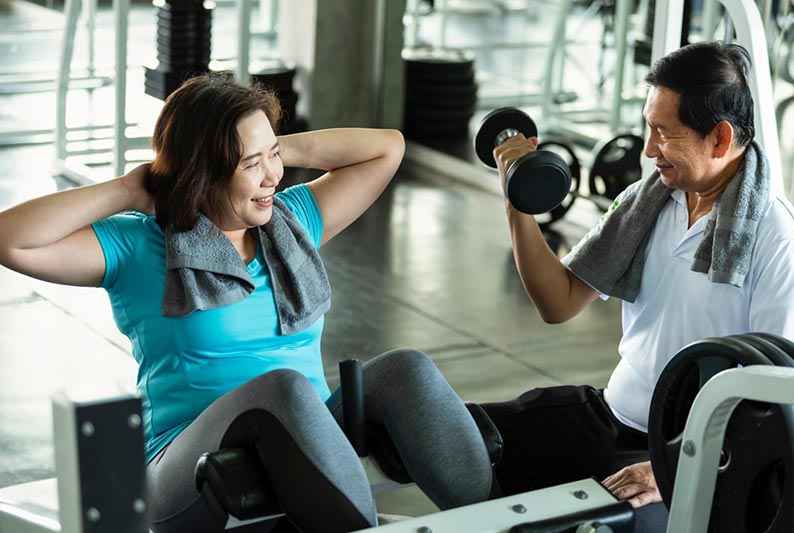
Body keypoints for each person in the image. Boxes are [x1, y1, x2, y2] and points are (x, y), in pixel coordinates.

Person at [0, 74, 494, 533]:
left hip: (310, 435)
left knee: (405, 368)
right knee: (281, 388)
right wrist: (132, 188)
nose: (272, 178)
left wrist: (268, 146)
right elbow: (11, 240)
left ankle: (503, 517)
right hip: (182, 464)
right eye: (250, 165)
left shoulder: (291, 221)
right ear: (201, 170)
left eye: (272, 158)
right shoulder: (139, 247)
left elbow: (388, 147)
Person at [479, 40, 794, 529]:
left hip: (693, 455)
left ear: (719, 137)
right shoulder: (649, 201)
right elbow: (557, 301)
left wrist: (673, 468)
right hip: (611, 416)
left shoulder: (773, 235)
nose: (649, 150)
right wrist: (517, 198)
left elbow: (780, 392)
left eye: (663, 134)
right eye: (649, 129)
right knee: (462, 434)